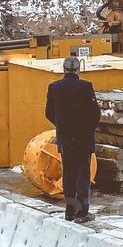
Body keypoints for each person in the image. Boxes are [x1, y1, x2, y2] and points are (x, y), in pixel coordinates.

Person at [44, 55, 101, 223]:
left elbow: (48, 113)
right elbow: (95, 113)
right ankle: (82, 212)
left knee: (69, 173)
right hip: (83, 138)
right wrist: (86, 128)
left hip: (66, 138)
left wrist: (62, 126)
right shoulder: (86, 86)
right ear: (78, 70)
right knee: (83, 174)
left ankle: (69, 210)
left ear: (64, 69)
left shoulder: (54, 87)